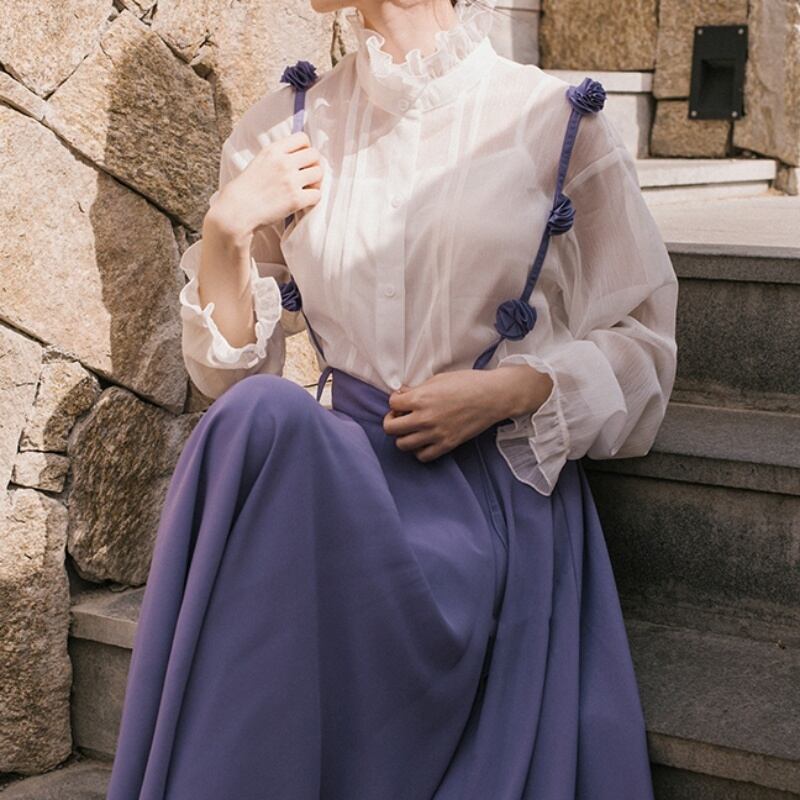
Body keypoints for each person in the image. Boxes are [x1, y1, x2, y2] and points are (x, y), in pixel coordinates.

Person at [106, 0, 678, 797]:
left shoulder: (553, 119)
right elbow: (230, 379)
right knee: (258, 417)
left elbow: (643, 343)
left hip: (485, 491)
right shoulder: (289, 123)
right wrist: (226, 230)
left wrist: (504, 391)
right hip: (351, 487)